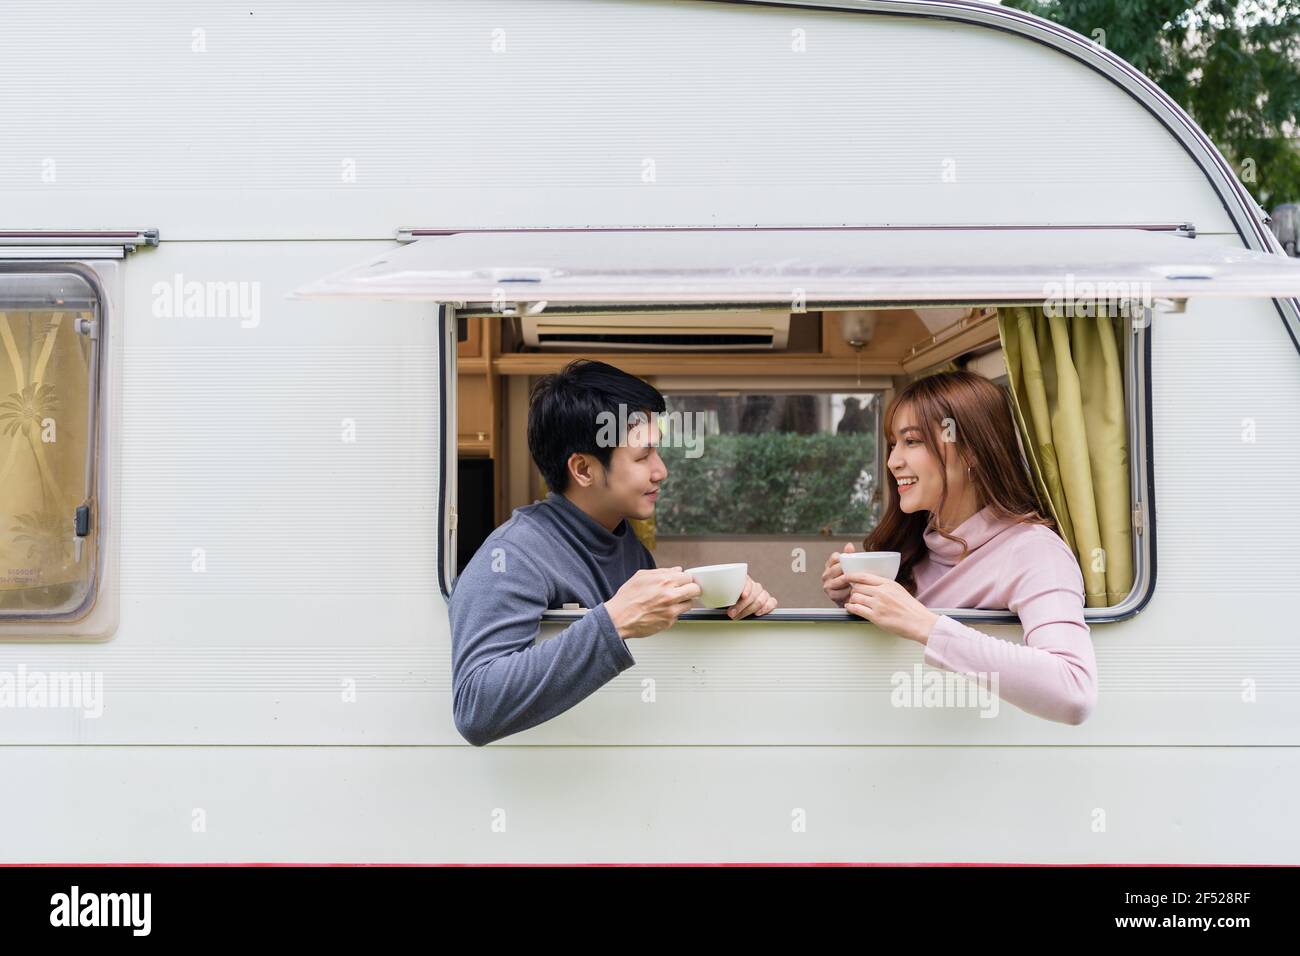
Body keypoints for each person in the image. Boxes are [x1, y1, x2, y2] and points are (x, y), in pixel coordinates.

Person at [449, 359, 778, 746]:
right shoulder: (513, 557)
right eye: (643, 457)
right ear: (584, 470)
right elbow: (475, 707)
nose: (661, 471)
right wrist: (614, 621)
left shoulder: (627, 546)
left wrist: (725, 600)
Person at [821, 371, 1097, 725]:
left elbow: (1073, 691)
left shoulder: (1035, 552)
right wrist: (855, 598)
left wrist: (925, 625)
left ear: (971, 451)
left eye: (912, 442)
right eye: (893, 444)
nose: (893, 462)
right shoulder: (916, 545)